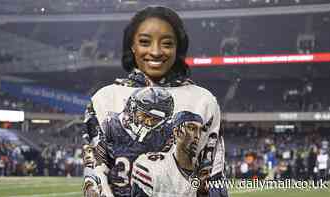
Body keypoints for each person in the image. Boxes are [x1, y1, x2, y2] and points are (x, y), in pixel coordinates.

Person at [82, 6, 225, 197]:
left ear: (178, 47)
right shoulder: (104, 99)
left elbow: (213, 177)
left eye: (166, 43)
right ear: (132, 45)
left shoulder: (204, 101)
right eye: (144, 42)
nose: (156, 52)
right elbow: (95, 177)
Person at [131, 111, 203, 197]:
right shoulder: (152, 166)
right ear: (176, 132)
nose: (197, 136)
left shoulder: (204, 171)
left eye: (201, 131)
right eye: (192, 128)